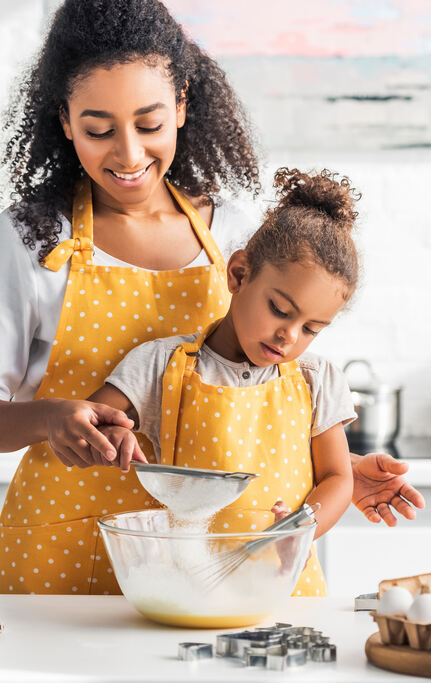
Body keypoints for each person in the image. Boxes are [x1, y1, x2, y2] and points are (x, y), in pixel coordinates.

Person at [0, 0, 424, 595]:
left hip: (211, 557)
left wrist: (335, 476)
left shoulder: (231, 231)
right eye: (99, 129)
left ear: (181, 107)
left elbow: (259, 393)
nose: (128, 155)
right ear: (65, 120)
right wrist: (51, 418)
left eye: (149, 124)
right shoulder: (31, 238)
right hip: (64, 547)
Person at [86, 167, 361, 596]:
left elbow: (338, 478)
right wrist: (108, 436)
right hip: (189, 586)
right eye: (280, 309)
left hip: (284, 586)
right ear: (238, 274)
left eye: (312, 329)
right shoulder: (163, 364)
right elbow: (92, 422)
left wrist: (298, 529)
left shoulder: (317, 379)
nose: (289, 336)